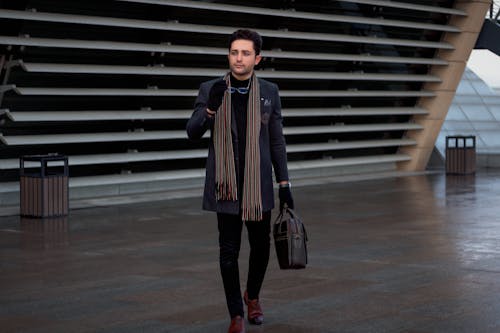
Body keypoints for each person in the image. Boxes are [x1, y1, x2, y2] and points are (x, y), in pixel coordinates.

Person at [186, 29, 294, 333]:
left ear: (257, 58)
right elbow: (192, 131)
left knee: (261, 248)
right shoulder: (211, 88)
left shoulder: (269, 92)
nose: (239, 58)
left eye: (246, 53)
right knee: (228, 251)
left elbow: (276, 142)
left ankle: (253, 296)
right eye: (234, 52)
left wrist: (284, 184)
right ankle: (236, 313)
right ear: (228, 55)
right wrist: (210, 109)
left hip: (258, 185)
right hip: (226, 186)